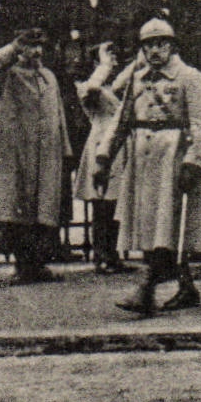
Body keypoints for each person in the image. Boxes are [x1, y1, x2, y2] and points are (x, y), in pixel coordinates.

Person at [94, 18, 201, 315]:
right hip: (143, 158)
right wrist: (103, 157)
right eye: (149, 45)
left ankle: (146, 287)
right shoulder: (138, 78)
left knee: (171, 224)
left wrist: (194, 162)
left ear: (171, 46)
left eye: (161, 44)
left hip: (174, 157)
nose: (155, 50)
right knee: (152, 225)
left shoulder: (189, 77)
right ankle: (185, 287)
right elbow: (122, 121)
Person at [0, 26, 72, 283]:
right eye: (29, 46)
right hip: (16, 155)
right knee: (17, 212)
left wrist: (65, 148)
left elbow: (58, 113)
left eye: (39, 46)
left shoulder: (48, 76)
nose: (36, 51)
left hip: (45, 155)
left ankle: (38, 265)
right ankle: (22, 265)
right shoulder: (6, 76)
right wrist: (12, 49)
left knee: (44, 212)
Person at [74, 41, 134, 274]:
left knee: (116, 203)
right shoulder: (88, 87)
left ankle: (113, 255)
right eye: (109, 58)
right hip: (101, 145)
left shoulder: (115, 88)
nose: (114, 63)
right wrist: (104, 66)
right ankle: (102, 255)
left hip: (119, 147)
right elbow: (91, 90)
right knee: (102, 204)